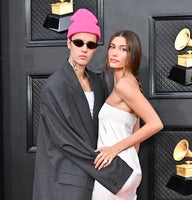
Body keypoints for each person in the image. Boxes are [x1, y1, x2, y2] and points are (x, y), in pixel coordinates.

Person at [32, 9, 133, 200]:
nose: (84, 49)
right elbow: (65, 140)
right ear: (68, 42)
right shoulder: (55, 86)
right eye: (79, 42)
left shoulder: (99, 83)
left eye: (91, 44)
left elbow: (106, 127)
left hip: (97, 178)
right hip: (67, 179)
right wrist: (114, 171)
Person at [92, 30, 163, 200]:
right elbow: (135, 131)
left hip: (114, 168)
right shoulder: (131, 82)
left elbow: (155, 123)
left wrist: (114, 149)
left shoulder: (124, 85)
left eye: (123, 49)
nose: (115, 53)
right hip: (127, 167)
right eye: (112, 47)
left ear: (133, 54)